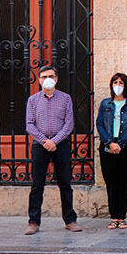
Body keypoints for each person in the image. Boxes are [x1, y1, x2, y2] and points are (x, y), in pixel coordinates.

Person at [24, 65, 81, 234]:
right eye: (43, 77)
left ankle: (70, 220)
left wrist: (54, 141)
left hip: (60, 144)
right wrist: (44, 141)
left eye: (50, 76)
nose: (47, 79)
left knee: (65, 183)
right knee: (37, 184)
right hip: (40, 145)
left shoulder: (65, 99)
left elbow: (69, 124)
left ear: (56, 79)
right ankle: (33, 222)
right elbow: (29, 124)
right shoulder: (33, 100)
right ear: (39, 80)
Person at [95, 73, 127, 230]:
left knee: (124, 181)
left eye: (121, 83)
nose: (118, 85)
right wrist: (109, 143)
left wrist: (120, 143)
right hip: (107, 146)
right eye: (115, 82)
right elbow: (99, 124)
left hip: (126, 147)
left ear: (126, 86)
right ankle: (114, 217)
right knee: (111, 182)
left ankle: (122, 217)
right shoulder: (105, 104)